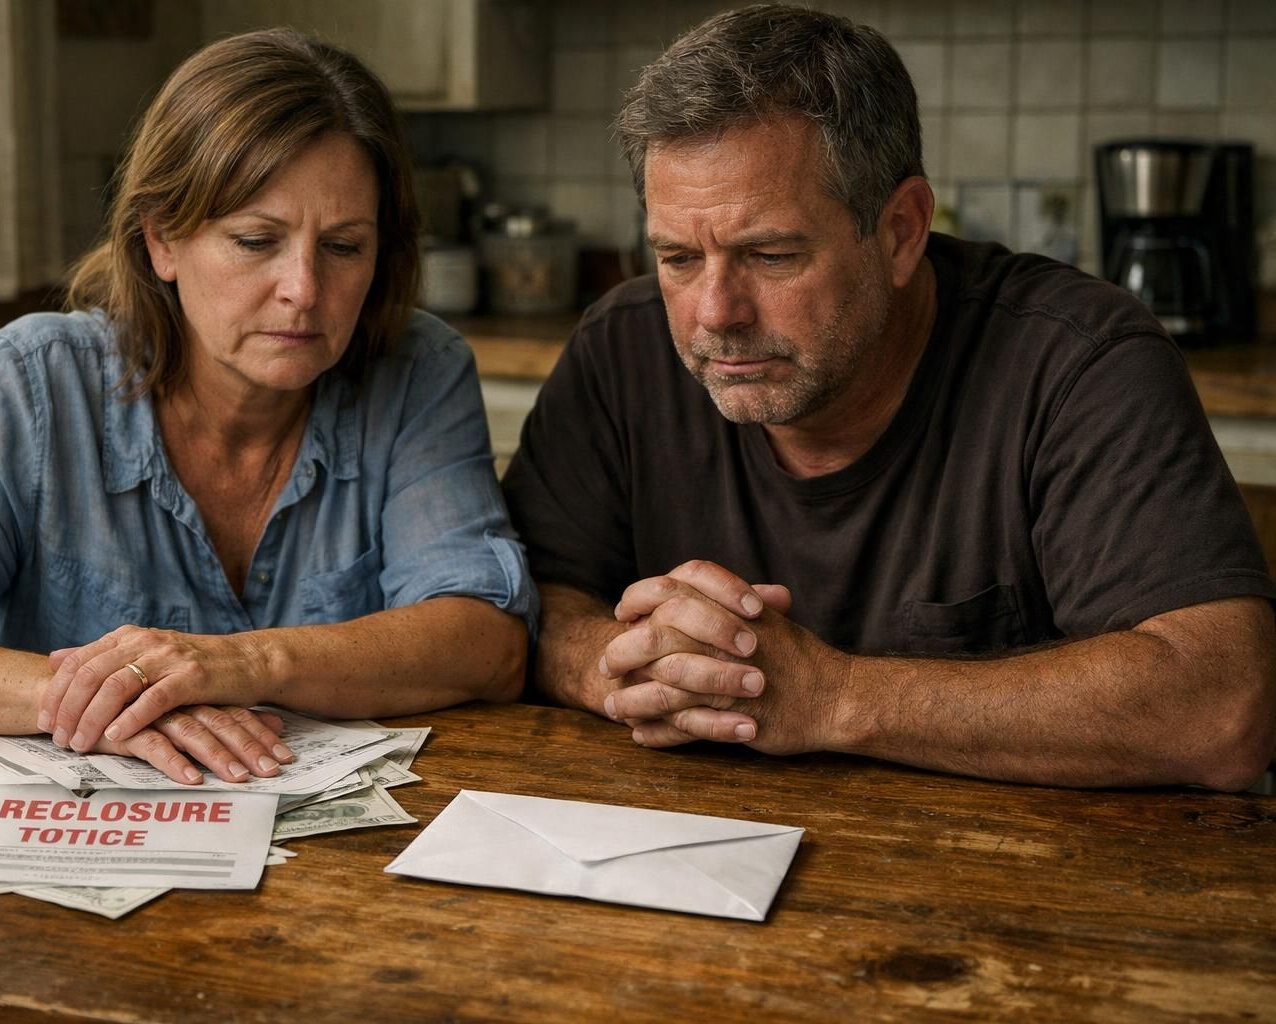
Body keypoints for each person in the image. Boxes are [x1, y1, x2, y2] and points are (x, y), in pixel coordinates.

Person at [502, 3, 1276, 791]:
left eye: (770, 255)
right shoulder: (622, 345)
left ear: (902, 230)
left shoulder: (1078, 362)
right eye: (676, 258)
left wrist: (832, 697)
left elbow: (1222, 705)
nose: (714, 313)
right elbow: (526, 609)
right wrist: (628, 669)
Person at [0, 29, 535, 784]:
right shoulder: (34, 380)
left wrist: (241, 662)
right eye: (255, 241)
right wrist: (99, 698)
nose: (304, 289)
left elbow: (486, 638)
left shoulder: (417, 370)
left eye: (343, 247)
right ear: (161, 239)